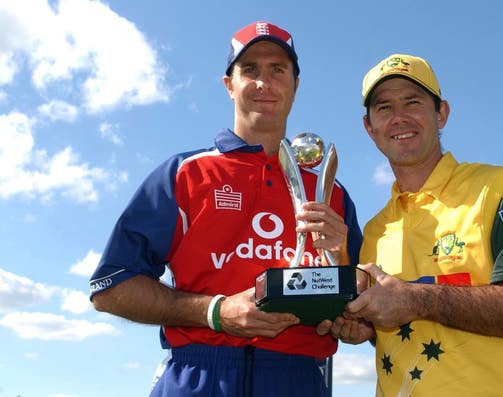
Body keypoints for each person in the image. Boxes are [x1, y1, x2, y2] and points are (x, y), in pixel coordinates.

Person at [89, 21, 362, 397]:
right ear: (228, 84)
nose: (263, 83)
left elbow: (361, 306)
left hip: (298, 379)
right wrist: (214, 312)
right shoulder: (185, 173)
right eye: (250, 70)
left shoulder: (332, 194)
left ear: (295, 86)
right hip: (199, 374)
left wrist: (348, 312)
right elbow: (111, 288)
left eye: (277, 70)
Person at [318, 54, 503, 396]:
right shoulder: (376, 229)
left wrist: (419, 300)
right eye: (384, 108)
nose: (399, 118)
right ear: (369, 127)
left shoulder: (498, 188)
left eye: (412, 102)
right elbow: (403, 331)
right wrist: (364, 325)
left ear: (441, 113)